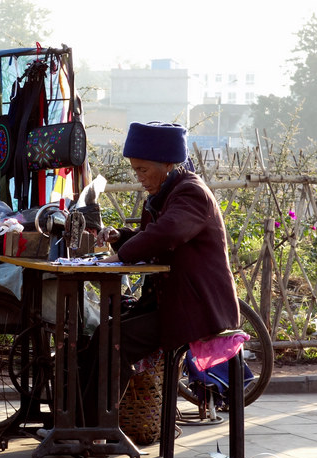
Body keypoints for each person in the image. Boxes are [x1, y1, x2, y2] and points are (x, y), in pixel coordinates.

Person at [79, 121, 240, 421]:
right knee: (100, 334)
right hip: (169, 303)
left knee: (114, 340)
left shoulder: (191, 193)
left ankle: (96, 430)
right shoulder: (165, 194)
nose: (138, 177)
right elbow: (150, 236)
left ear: (168, 164)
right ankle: (80, 424)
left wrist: (120, 256)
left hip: (193, 309)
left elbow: (168, 233)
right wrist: (122, 237)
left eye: (142, 170)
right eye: (135, 170)